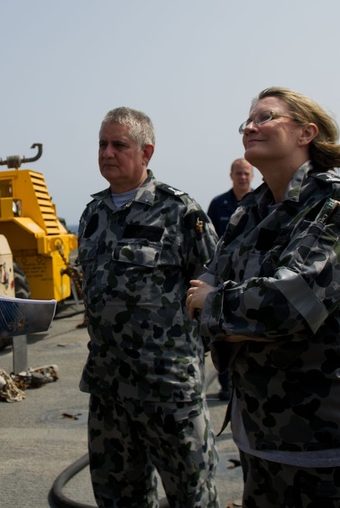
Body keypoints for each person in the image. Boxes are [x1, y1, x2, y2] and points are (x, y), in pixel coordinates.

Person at [188, 87, 340, 507]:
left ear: (307, 132)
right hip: (263, 442)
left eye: (265, 117)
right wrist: (234, 316)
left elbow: (288, 307)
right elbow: (198, 294)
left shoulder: (334, 204)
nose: (250, 126)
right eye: (246, 121)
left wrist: (221, 309)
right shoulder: (250, 210)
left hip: (335, 447)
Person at [76, 107, 219, 508]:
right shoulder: (91, 215)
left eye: (119, 144)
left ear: (146, 152)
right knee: (117, 497)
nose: (107, 152)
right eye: (102, 144)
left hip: (168, 390)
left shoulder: (179, 211)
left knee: (192, 496)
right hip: (109, 391)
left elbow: (213, 289)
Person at [206, 157, 254, 400]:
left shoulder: (265, 202)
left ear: (252, 176)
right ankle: (226, 385)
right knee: (224, 333)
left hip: (254, 279)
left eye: (246, 173)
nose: (242, 177)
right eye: (238, 173)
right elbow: (209, 242)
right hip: (225, 278)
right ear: (231, 175)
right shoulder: (218, 205)